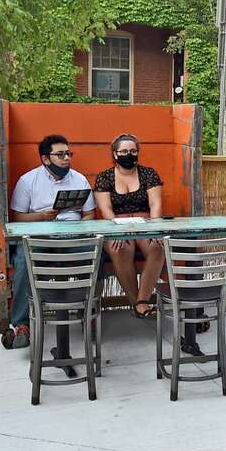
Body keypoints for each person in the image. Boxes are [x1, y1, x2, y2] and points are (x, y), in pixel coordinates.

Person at [3, 134, 97, 364]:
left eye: (69, 154)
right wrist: (41, 217)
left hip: (72, 236)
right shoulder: (28, 181)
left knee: (97, 253)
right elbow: (17, 217)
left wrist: (80, 228)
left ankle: (89, 312)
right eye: (60, 154)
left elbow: (89, 213)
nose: (66, 158)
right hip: (39, 236)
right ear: (46, 159)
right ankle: (22, 325)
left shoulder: (78, 179)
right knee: (24, 262)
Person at [91, 133, 166, 319]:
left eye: (133, 151)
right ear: (115, 154)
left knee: (158, 247)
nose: (128, 154)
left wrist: (155, 229)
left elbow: (155, 204)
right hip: (116, 224)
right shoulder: (104, 177)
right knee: (120, 249)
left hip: (145, 222)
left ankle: (142, 301)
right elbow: (105, 209)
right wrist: (117, 231)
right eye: (124, 151)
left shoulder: (149, 173)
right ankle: (139, 305)